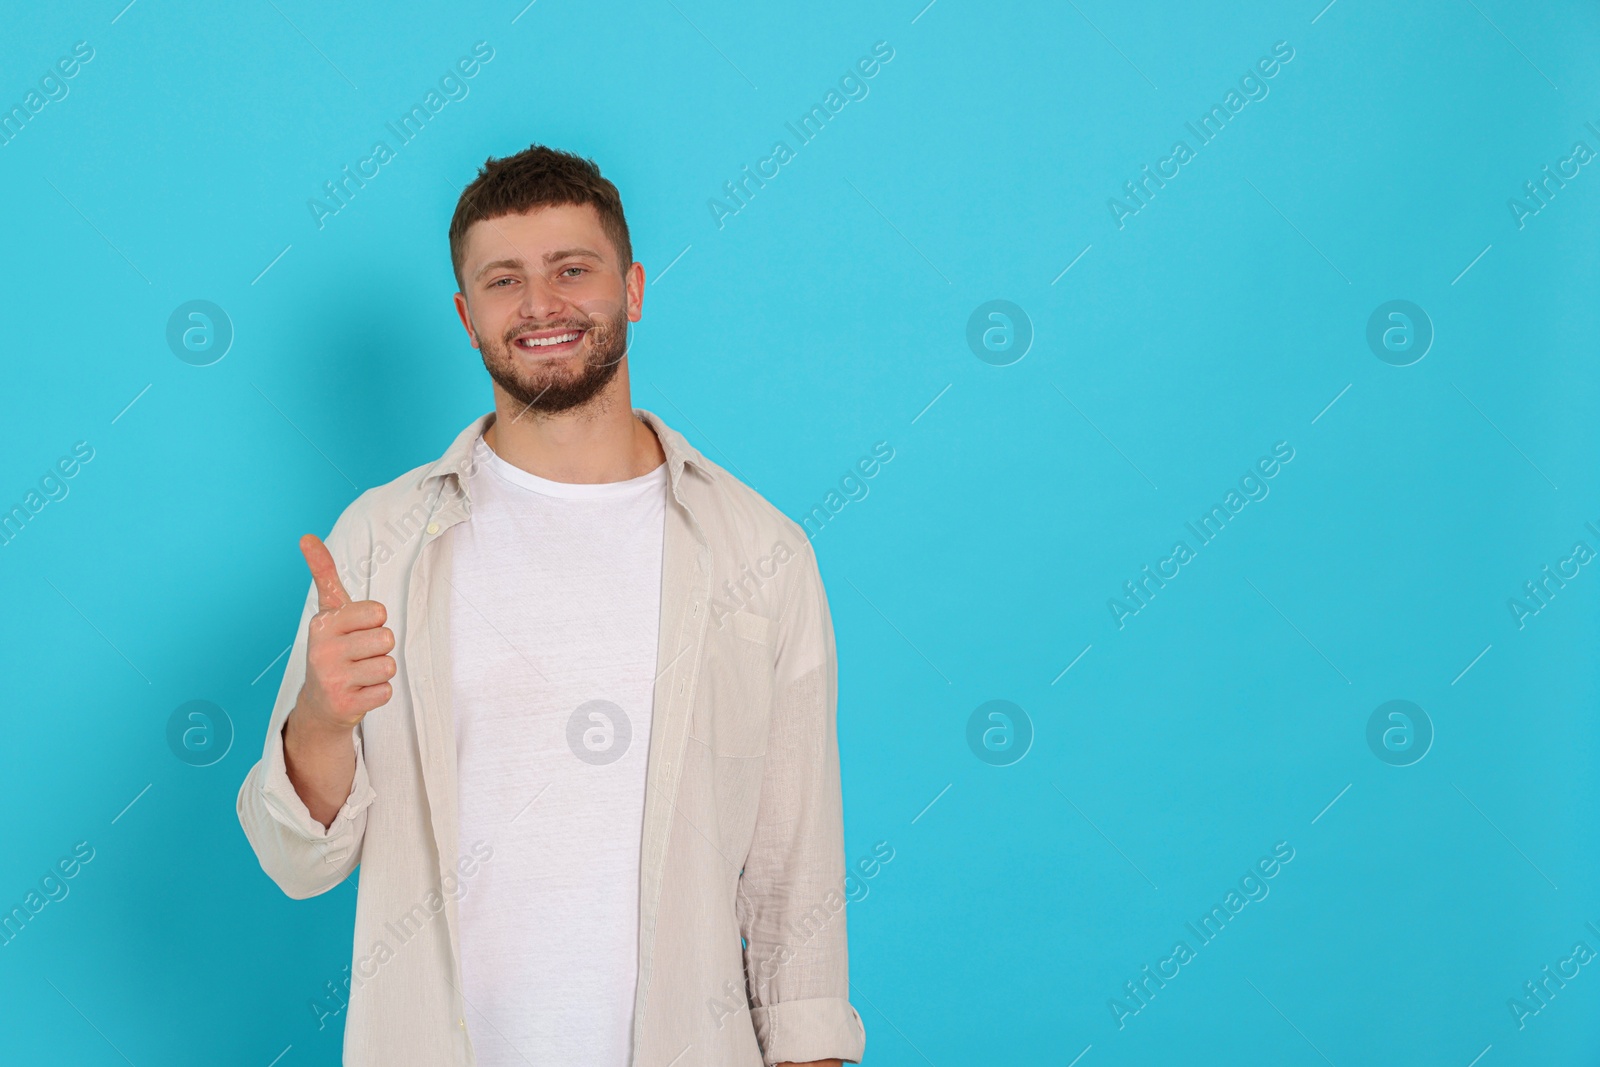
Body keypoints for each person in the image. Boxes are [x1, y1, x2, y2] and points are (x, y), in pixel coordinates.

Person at [236, 144, 865, 1067]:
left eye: (572, 269)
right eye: (504, 280)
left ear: (634, 287)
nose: (540, 304)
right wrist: (322, 720)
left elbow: (795, 875)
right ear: (466, 315)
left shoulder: (761, 553)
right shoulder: (380, 540)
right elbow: (300, 863)